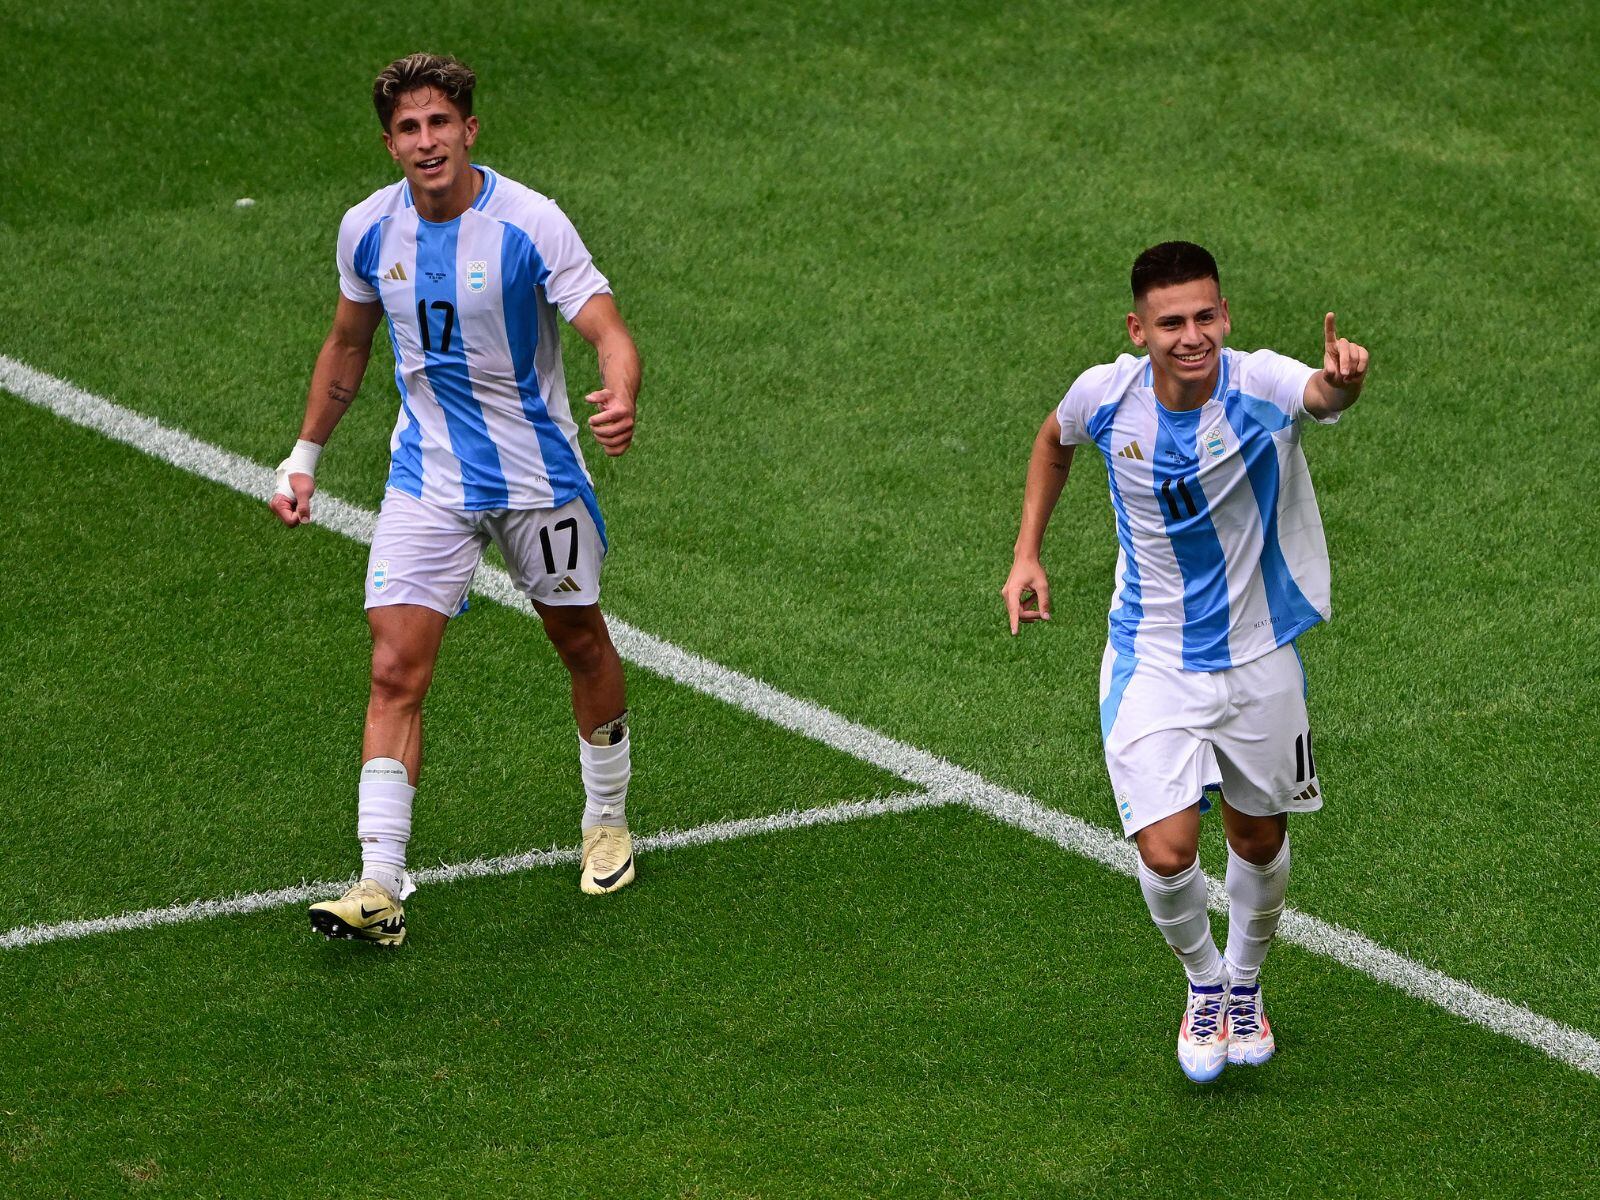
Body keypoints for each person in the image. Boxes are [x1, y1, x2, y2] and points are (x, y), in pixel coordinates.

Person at [270, 53, 643, 946]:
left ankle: (607, 819)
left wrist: (620, 392)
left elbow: (607, 329)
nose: (426, 141)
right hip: (427, 479)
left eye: (440, 123)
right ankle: (379, 883)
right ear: (390, 142)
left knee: (579, 636)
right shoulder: (368, 230)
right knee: (395, 667)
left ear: (469, 130)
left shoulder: (530, 223)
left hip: (538, 479)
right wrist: (303, 455)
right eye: (408, 128)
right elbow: (348, 347)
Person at [1001, 242, 1368, 1081]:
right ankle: (1206, 984)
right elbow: (1054, 441)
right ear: (1139, 329)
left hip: (1258, 658)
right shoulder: (1107, 396)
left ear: (1226, 317)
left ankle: (1247, 983)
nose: (1191, 335)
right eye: (1171, 322)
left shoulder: (1259, 384)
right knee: (1167, 850)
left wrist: (1343, 379)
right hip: (1151, 660)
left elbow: (1317, 394)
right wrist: (1028, 552)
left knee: (1257, 835)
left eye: (1206, 316)